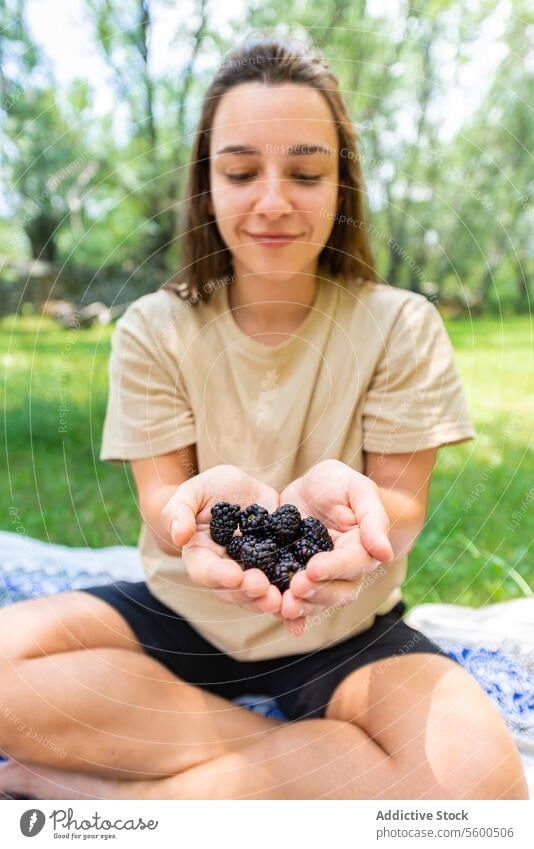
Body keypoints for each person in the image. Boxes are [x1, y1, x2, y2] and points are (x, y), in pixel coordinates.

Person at [0, 38, 528, 801]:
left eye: (307, 172)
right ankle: (307, 764)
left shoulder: (401, 325)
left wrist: (360, 531)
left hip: (341, 621)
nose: (273, 199)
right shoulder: (153, 328)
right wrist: (195, 528)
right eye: (242, 171)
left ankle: (127, 797)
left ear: (341, 184)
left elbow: (401, 506)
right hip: (185, 605)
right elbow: (162, 500)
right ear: (205, 185)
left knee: (485, 786)